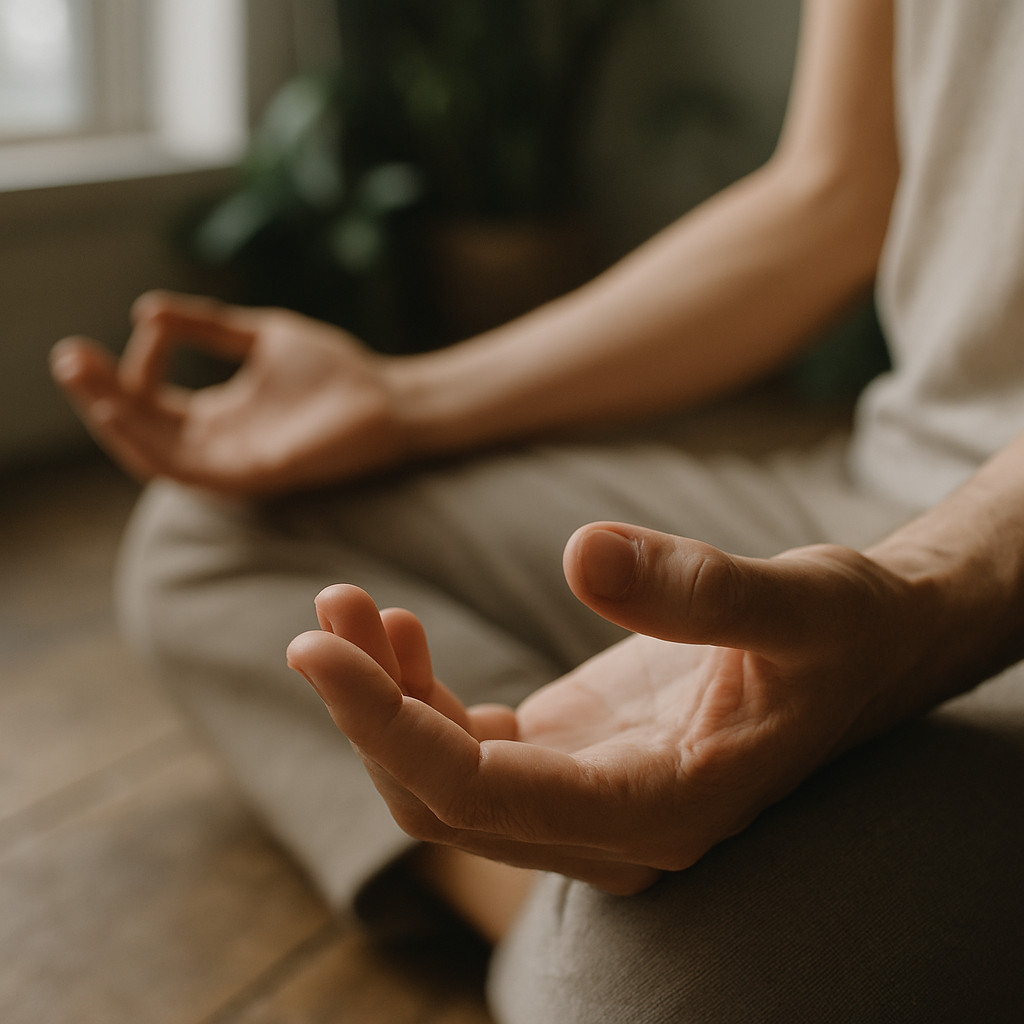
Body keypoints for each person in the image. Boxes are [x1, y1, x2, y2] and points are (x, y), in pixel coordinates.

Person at [50, 0, 1024, 1018]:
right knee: (220, 526)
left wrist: (934, 590)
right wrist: (404, 401)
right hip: (877, 486)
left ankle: (585, 921)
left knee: (631, 999)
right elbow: (830, 190)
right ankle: (548, 873)